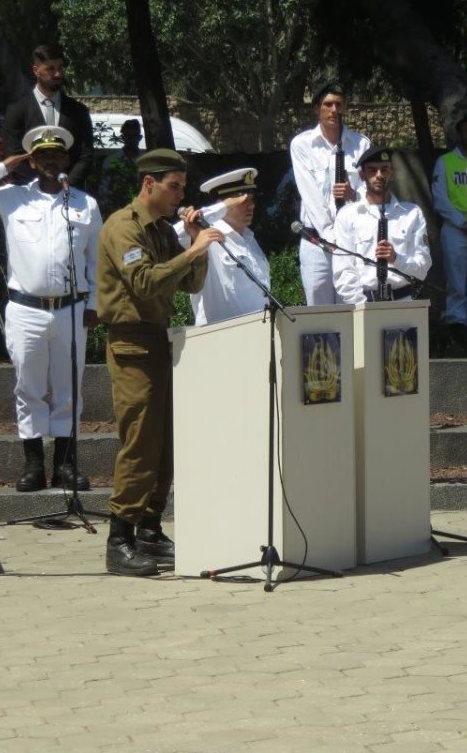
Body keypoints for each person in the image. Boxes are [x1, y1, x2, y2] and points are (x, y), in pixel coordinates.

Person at [97, 148, 222, 577]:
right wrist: (192, 251)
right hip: (132, 346)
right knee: (141, 444)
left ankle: (150, 528)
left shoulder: (161, 231)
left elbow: (189, 283)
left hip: (160, 342)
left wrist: (193, 245)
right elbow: (145, 282)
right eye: (174, 186)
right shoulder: (123, 228)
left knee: (167, 444)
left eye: (183, 187)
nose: (180, 195)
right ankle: (120, 539)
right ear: (149, 184)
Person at [0, 126, 102, 492]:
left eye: (58, 155)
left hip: (71, 310)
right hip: (26, 309)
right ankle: (34, 465)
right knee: (29, 387)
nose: (52, 161)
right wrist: (2, 167)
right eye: (44, 156)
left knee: (69, 388)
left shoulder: (84, 203)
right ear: (33, 162)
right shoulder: (11, 198)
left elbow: (96, 260)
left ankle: (66, 466)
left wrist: (94, 303)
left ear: (67, 159)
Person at [289, 79, 371, 304]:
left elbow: (370, 190)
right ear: (317, 108)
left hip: (352, 240)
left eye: (338, 104)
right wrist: (331, 237)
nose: (334, 110)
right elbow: (311, 196)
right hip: (317, 240)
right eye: (327, 104)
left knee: (353, 306)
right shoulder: (302, 144)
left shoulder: (360, 144)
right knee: (319, 312)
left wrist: (353, 194)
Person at [333, 147, 431, 304]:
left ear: (391, 173)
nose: (379, 175)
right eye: (372, 170)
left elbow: (423, 267)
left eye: (384, 169)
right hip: (364, 303)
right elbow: (343, 270)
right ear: (362, 175)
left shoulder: (412, 213)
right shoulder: (348, 215)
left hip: (403, 301)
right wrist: (361, 306)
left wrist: (396, 258)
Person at [174, 167, 270, 325]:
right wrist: (221, 207)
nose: (251, 205)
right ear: (224, 203)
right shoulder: (203, 234)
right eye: (243, 200)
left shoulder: (251, 240)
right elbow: (170, 235)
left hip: (258, 334)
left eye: (252, 200)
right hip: (220, 337)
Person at [432, 110, 467, 353]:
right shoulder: (445, 162)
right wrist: (464, 224)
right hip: (456, 229)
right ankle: (456, 326)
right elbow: (440, 199)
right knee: (456, 280)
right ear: (459, 135)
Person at [3, 43, 95, 187]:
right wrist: (41, 186)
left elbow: (85, 156)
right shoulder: (17, 111)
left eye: (60, 68)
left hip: (69, 193)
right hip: (29, 195)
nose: (58, 74)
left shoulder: (78, 111)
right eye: (50, 69)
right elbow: (13, 155)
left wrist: (65, 185)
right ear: (36, 70)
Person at [97, 118, 143, 215]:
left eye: (134, 136)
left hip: (140, 210)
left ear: (140, 138)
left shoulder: (145, 162)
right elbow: (104, 189)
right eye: (128, 136)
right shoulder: (111, 161)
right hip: (116, 210)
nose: (131, 140)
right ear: (123, 138)